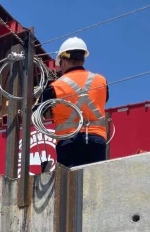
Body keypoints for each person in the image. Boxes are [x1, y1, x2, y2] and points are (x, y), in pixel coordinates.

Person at [39, 37, 109, 168]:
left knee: (70, 185)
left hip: (69, 143)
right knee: (95, 184)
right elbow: (103, 100)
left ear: (63, 61)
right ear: (83, 59)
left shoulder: (54, 87)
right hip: (97, 141)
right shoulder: (101, 81)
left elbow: (42, 113)